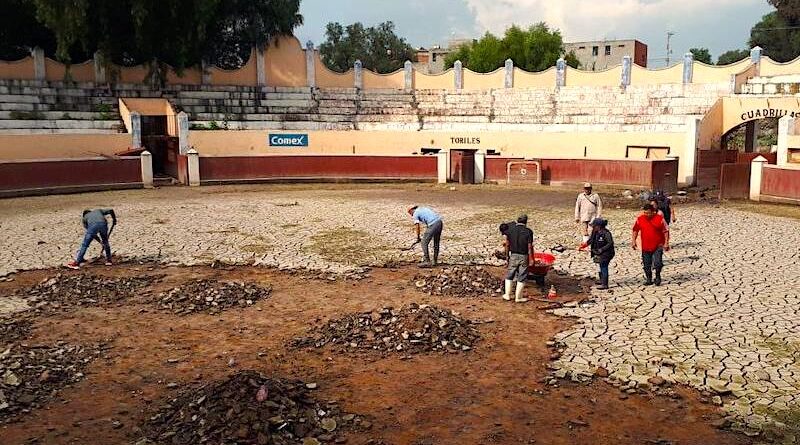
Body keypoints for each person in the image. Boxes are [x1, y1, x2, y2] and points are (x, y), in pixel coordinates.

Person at [632, 204, 670, 286]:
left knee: (658, 263)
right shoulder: (640, 219)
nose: (647, 215)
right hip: (645, 245)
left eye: (649, 213)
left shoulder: (660, 219)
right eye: (645, 213)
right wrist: (633, 241)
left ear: (653, 212)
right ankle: (649, 279)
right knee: (646, 264)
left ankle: (657, 276)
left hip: (658, 245)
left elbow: (666, 231)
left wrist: (666, 243)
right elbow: (635, 230)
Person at [502, 214, 534, 303]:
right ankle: (518, 297)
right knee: (522, 275)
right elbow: (530, 246)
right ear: (526, 221)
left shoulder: (510, 230)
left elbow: (507, 244)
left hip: (513, 255)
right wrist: (531, 259)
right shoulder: (528, 231)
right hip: (524, 256)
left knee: (510, 274)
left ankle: (507, 295)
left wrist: (507, 256)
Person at [580, 218, 615, 290]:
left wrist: (601, 250)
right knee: (601, 265)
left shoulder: (606, 233)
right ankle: (602, 280)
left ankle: (605, 284)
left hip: (607, 253)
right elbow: (591, 240)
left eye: (594, 226)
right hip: (599, 252)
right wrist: (584, 245)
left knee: (604, 266)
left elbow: (610, 243)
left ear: (599, 226)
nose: (593, 227)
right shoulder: (595, 232)